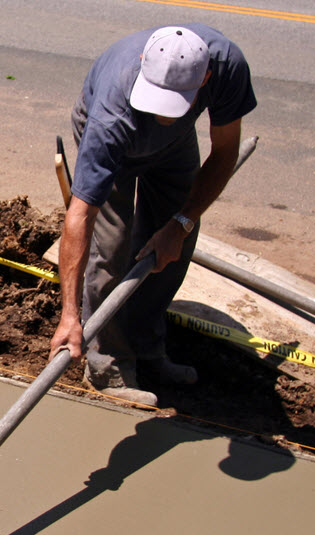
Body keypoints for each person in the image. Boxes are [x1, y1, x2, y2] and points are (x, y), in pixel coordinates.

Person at [49, 24, 257, 406]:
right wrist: (69, 314)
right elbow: (79, 216)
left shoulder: (227, 66)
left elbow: (226, 152)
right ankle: (107, 362)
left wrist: (179, 223)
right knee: (112, 246)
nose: (161, 113)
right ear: (144, 62)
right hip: (119, 138)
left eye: (172, 103)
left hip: (175, 146)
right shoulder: (110, 117)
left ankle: (147, 347)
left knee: (174, 246)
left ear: (206, 78)